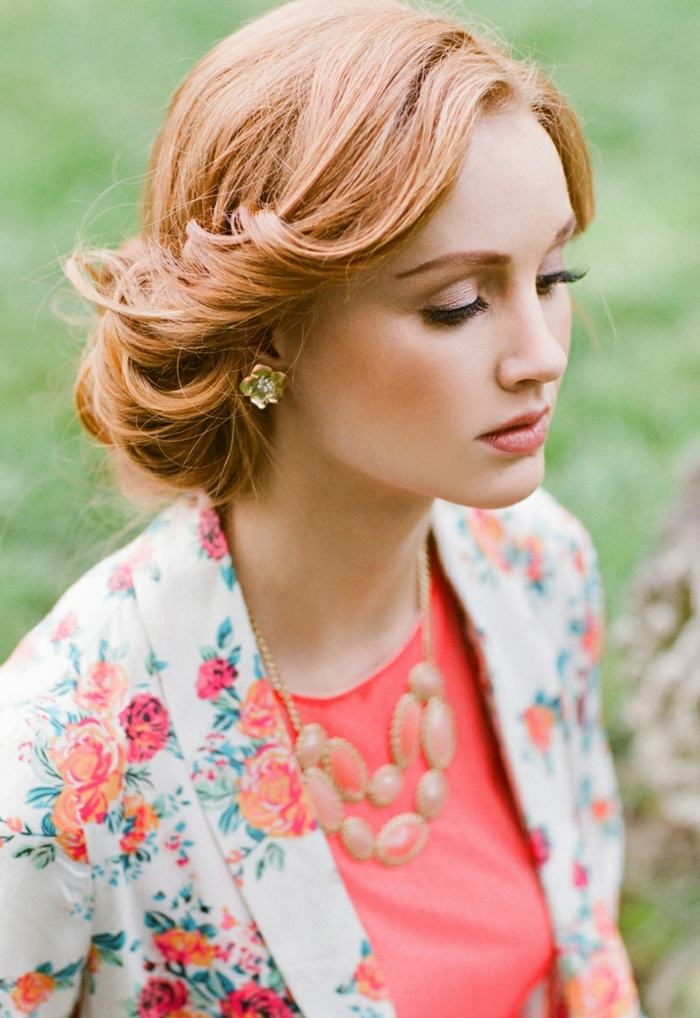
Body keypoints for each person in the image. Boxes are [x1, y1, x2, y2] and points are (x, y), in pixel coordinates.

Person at [0, 1, 645, 1015]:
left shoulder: (540, 570)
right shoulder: (60, 767)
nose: (542, 353)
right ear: (264, 328)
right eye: (458, 304)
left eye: (551, 275)